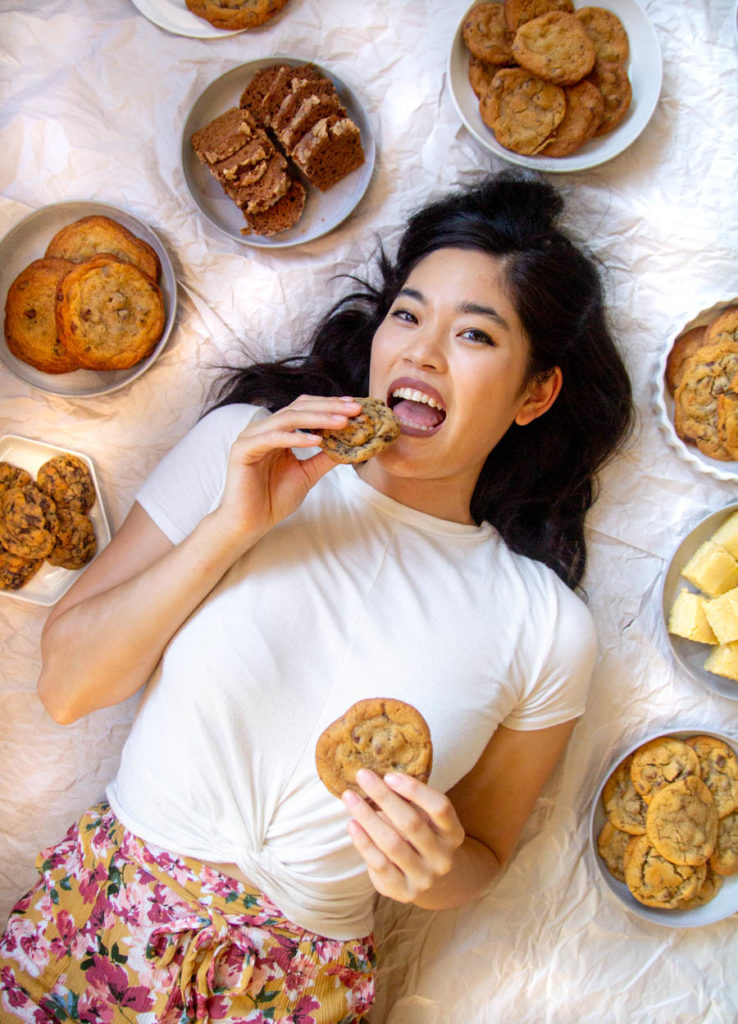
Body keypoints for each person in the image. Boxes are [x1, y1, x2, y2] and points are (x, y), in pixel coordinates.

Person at [0, 171, 633, 1023]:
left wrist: (439, 866)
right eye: (407, 314)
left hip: (303, 986)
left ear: (535, 393)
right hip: (103, 920)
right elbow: (67, 686)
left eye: (474, 336)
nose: (419, 352)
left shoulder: (547, 627)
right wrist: (233, 528)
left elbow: (481, 858)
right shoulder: (242, 451)